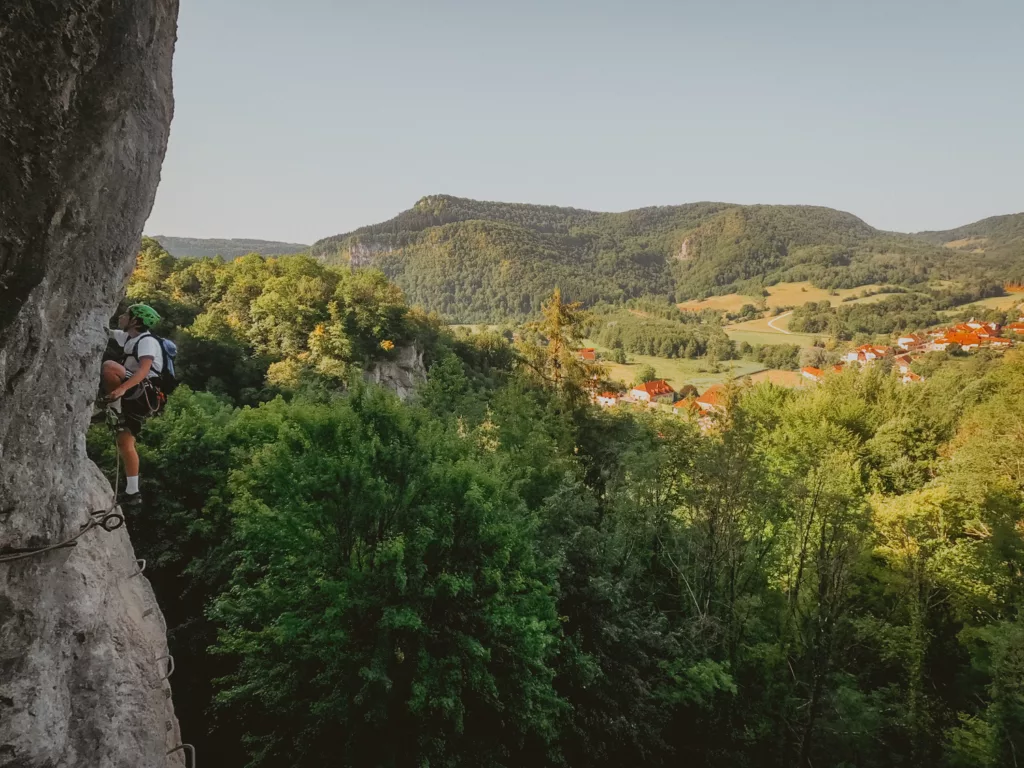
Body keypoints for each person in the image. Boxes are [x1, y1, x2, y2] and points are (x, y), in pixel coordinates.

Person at [100, 303, 166, 508]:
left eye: (127, 315)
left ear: (136, 321)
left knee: (109, 366)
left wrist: (120, 390)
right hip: (139, 397)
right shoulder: (130, 338)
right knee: (125, 441)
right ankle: (132, 491)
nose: (122, 316)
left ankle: (114, 408)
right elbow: (107, 332)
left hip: (141, 391)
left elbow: (143, 371)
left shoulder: (147, 342)